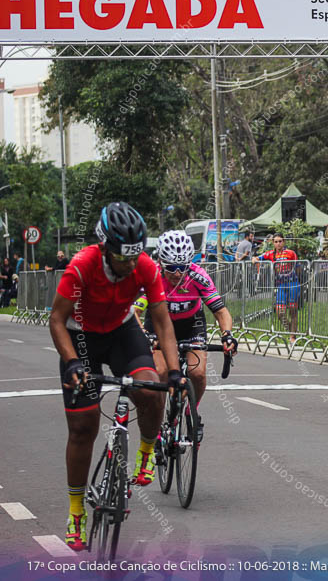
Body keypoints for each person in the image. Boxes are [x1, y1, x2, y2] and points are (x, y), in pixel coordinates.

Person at [48, 202, 184, 551]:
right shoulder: (81, 267)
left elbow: (163, 321)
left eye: (135, 256)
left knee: (153, 389)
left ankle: (146, 449)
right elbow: (56, 321)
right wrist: (73, 362)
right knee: (84, 426)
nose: (130, 265)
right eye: (123, 258)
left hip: (122, 332)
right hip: (81, 337)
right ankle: (76, 510)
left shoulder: (146, 267)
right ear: (104, 247)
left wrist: (174, 371)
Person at [145, 231, 238, 425]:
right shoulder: (151, 276)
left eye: (182, 267)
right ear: (161, 262)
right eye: (171, 267)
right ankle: (158, 417)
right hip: (159, 325)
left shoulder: (198, 276)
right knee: (161, 372)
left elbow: (221, 312)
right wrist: (143, 335)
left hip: (191, 324)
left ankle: (190, 410)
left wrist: (227, 335)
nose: (177, 273)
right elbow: (134, 312)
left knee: (197, 373)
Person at [252, 234, 299, 334]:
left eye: (280, 241)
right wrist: (254, 259)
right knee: (279, 313)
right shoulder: (270, 254)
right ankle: (293, 330)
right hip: (281, 285)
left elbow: (299, 267)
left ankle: (292, 337)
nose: (278, 244)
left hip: (293, 284)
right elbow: (258, 258)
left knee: (292, 310)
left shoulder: (291, 253)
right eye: (276, 241)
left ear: (284, 242)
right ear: (273, 243)